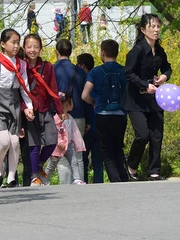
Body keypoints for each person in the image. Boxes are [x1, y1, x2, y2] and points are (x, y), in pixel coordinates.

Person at [0, 29, 34, 188]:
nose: (16, 46)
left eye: (18, 42)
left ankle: (11, 176)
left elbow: (24, 88)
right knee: (4, 141)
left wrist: (28, 107)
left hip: (15, 104)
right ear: (3, 44)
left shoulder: (22, 64)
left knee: (15, 142)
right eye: (13, 42)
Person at [123, 13, 172, 181]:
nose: (156, 30)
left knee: (157, 135)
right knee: (143, 135)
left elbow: (167, 68)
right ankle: (131, 166)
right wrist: (145, 85)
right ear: (143, 30)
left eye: (158, 26)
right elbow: (128, 73)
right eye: (152, 27)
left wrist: (164, 77)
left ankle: (154, 171)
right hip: (136, 99)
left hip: (154, 98)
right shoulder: (136, 51)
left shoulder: (159, 51)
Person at [82, 40, 128, 182]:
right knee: (118, 148)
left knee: (106, 152)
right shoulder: (124, 71)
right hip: (120, 115)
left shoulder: (96, 72)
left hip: (102, 115)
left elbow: (84, 95)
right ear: (117, 52)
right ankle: (124, 179)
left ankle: (116, 180)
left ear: (102, 52)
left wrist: (94, 102)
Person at [22, 33, 64, 186]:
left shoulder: (47, 66)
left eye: (36, 47)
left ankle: (39, 164)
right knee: (34, 144)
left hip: (45, 108)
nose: (32, 50)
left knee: (52, 140)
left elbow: (53, 88)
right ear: (24, 48)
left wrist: (59, 110)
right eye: (29, 47)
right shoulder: (21, 66)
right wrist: (24, 108)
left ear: (40, 49)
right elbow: (19, 90)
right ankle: (34, 176)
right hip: (30, 111)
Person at [53, 38, 93, 184]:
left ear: (56, 52)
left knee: (62, 154)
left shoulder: (52, 70)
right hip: (78, 116)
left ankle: (66, 186)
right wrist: (89, 119)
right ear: (70, 52)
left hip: (59, 118)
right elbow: (86, 98)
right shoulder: (80, 72)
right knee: (78, 153)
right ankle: (79, 182)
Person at [44, 95, 86, 184]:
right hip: (57, 146)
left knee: (74, 161)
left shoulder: (70, 117)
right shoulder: (56, 118)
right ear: (67, 104)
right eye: (72, 102)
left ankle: (77, 179)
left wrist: (78, 143)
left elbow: (75, 132)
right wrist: (59, 142)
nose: (73, 104)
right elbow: (54, 132)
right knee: (52, 165)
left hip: (69, 145)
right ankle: (44, 179)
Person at [77, 52, 103, 184]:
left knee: (83, 159)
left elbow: (84, 102)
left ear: (82, 65)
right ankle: (99, 183)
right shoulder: (98, 77)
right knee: (98, 160)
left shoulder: (84, 81)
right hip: (99, 123)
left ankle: (83, 182)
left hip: (88, 125)